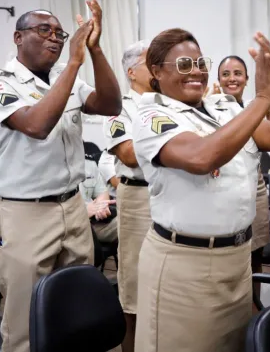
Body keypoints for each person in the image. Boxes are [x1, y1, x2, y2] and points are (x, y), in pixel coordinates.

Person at [132, 29, 270, 352]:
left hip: (236, 260)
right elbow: (201, 156)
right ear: (156, 71)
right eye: (183, 64)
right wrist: (264, 98)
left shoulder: (225, 107)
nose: (195, 70)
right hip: (186, 265)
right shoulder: (152, 114)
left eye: (199, 62)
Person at [0, 0, 122, 352]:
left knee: (76, 310)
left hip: (71, 206)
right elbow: (36, 125)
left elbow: (110, 105)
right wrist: (74, 60)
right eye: (44, 31)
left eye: (60, 33)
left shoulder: (65, 77)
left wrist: (95, 50)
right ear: (18, 37)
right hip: (25, 213)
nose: (55, 39)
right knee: (24, 325)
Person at [101, 39, 153, 352]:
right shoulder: (120, 107)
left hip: (169, 192)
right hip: (138, 196)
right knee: (134, 284)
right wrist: (174, 142)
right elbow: (129, 155)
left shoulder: (166, 102)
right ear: (132, 72)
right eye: (152, 61)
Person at [217, 54, 270, 308]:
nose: (232, 79)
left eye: (237, 73)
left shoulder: (254, 108)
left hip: (256, 185)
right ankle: (235, 306)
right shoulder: (211, 107)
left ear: (247, 79)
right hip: (227, 187)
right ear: (218, 79)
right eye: (226, 74)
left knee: (256, 250)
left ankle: (255, 305)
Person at [81, 157, 118, 243]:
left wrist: (101, 208)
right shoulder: (49, 167)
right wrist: (83, 212)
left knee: (132, 219)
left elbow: (102, 195)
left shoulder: (89, 164)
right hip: (72, 225)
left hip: (95, 223)